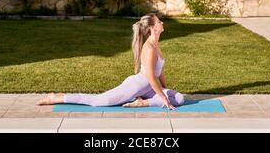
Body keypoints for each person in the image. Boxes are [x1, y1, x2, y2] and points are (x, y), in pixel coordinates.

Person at [37, 13, 184, 110]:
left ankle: (142, 102)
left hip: (149, 90)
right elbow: (152, 77)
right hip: (136, 86)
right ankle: (57, 97)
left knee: (179, 98)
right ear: (152, 28)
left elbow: (160, 71)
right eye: (159, 21)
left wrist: (165, 89)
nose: (162, 22)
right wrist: (163, 97)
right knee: (99, 101)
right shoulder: (150, 48)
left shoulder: (157, 44)